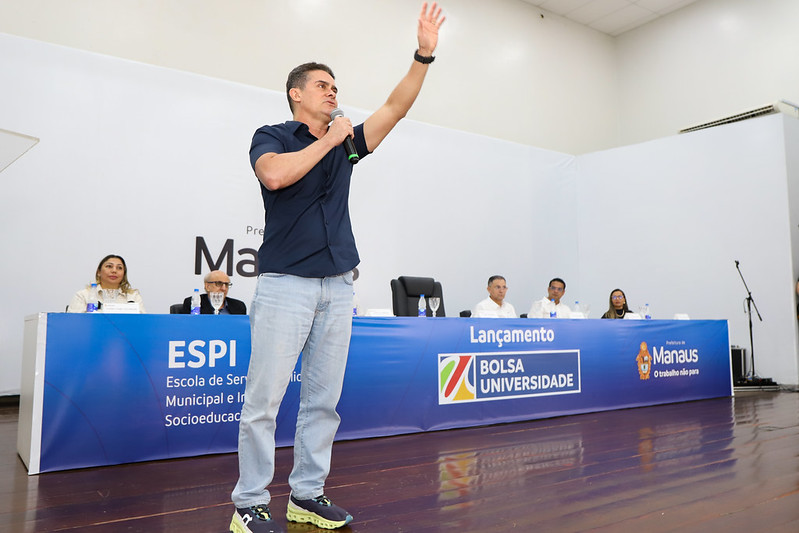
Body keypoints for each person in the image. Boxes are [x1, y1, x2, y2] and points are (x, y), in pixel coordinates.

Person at [230, 4, 446, 532]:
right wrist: (329, 139)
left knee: (323, 403)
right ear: (295, 94)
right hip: (285, 285)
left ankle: (306, 494)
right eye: (322, 86)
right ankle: (249, 502)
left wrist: (423, 55)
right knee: (263, 402)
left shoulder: (348, 142)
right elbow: (274, 176)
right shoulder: (274, 135)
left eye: (335, 86)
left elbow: (395, 107)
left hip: (337, 286)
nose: (332, 92)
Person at [67, 254, 145, 313]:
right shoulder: (83, 296)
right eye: (109, 266)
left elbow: (142, 323)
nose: (114, 271)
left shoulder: (133, 296)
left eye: (119, 268)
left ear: (124, 274)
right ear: (99, 272)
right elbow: (73, 323)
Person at [180, 270, 247, 315]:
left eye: (226, 284)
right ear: (207, 286)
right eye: (219, 283)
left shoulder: (239, 306)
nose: (224, 288)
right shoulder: (193, 303)